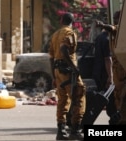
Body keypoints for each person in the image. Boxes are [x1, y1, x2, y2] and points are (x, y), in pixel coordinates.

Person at [49, 12, 86, 140]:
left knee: (63, 101)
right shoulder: (69, 33)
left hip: (58, 72)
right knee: (79, 97)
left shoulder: (54, 35)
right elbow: (64, 49)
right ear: (73, 22)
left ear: (61, 21)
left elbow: (51, 57)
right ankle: (75, 130)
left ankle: (61, 131)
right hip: (68, 71)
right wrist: (74, 68)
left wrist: (53, 76)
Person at [96, 10, 126, 124]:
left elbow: (112, 28)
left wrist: (103, 25)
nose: (115, 21)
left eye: (116, 18)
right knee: (118, 97)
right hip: (118, 69)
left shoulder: (120, 30)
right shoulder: (109, 37)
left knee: (121, 97)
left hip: (121, 70)